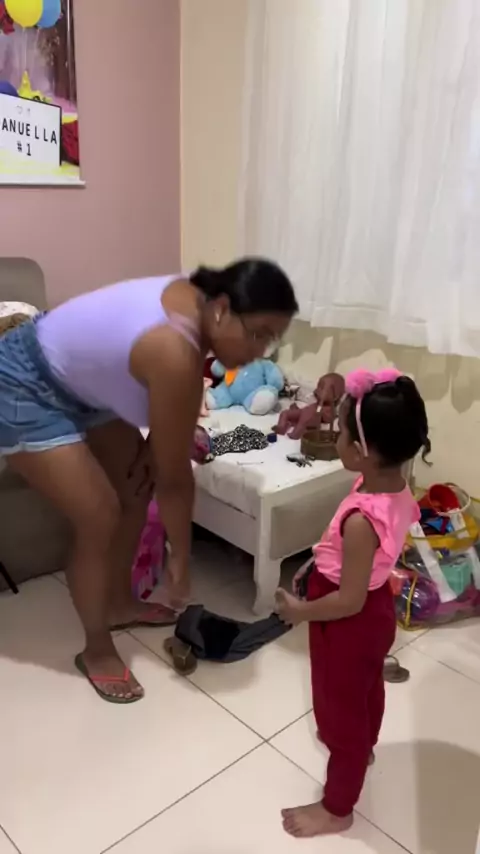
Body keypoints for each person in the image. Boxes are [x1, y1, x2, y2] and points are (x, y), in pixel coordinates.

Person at [0, 258, 298, 704]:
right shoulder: (175, 349)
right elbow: (175, 480)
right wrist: (181, 559)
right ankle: (96, 649)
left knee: (134, 489)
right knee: (99, 517)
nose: (261, 351)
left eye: (272, 339)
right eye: (257, 334)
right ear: (221, 310)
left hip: (82, 386)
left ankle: (119, 604)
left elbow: (170, 404)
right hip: (21, 383)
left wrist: (159, 438)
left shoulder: (196, 308)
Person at [275, 367, 430, 837]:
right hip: (374, 609)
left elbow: (347, 600)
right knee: (364, 690)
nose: (337, 438)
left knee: (339, 710)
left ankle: (338, 807)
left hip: (349, 620)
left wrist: (300, 611)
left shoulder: (363, 521)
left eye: (342, 433)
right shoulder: (393, 485)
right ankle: (363, 747)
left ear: (362, 451)